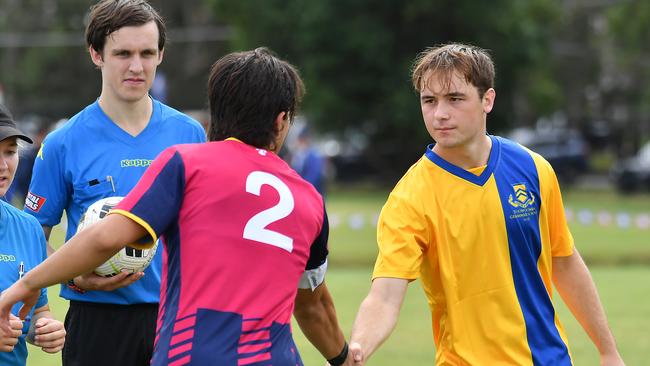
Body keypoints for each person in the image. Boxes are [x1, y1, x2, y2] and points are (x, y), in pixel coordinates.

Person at [1, 48, 353, 366]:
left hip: (189, 355)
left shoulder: (186, 164)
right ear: (281, 121)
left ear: (217, 112)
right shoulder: (309, 199)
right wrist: (342, 358)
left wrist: (24, 286)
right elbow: (314, 306)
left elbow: (105, 238)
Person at [348, 43, 625, 365]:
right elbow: (385, 295)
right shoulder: (409, 198)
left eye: (454, 99)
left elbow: (563, 261)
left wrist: (608, 351)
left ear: (487, 100)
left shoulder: (533, 169)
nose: (440, 114)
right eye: (429, 101)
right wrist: (359, 347)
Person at [21, 1, 206, 365]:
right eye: (123, 53)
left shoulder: (191, 134)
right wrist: (76, 279)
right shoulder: (63, 142)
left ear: (161, 55)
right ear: (96, 54)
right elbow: (33, 238)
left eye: (147, 53)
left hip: (175, 319)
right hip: (95, 323)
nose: (137, 66)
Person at [0, 104, 66, 365]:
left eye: (10, 152)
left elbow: (36, 310)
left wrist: (45, 328)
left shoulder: (28, 228)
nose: (4, 166)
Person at [290, 126, 326, 196]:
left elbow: (313, 176)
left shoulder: (314, 156)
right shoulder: (299, 155)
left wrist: (300, 187)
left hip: (313, 192)